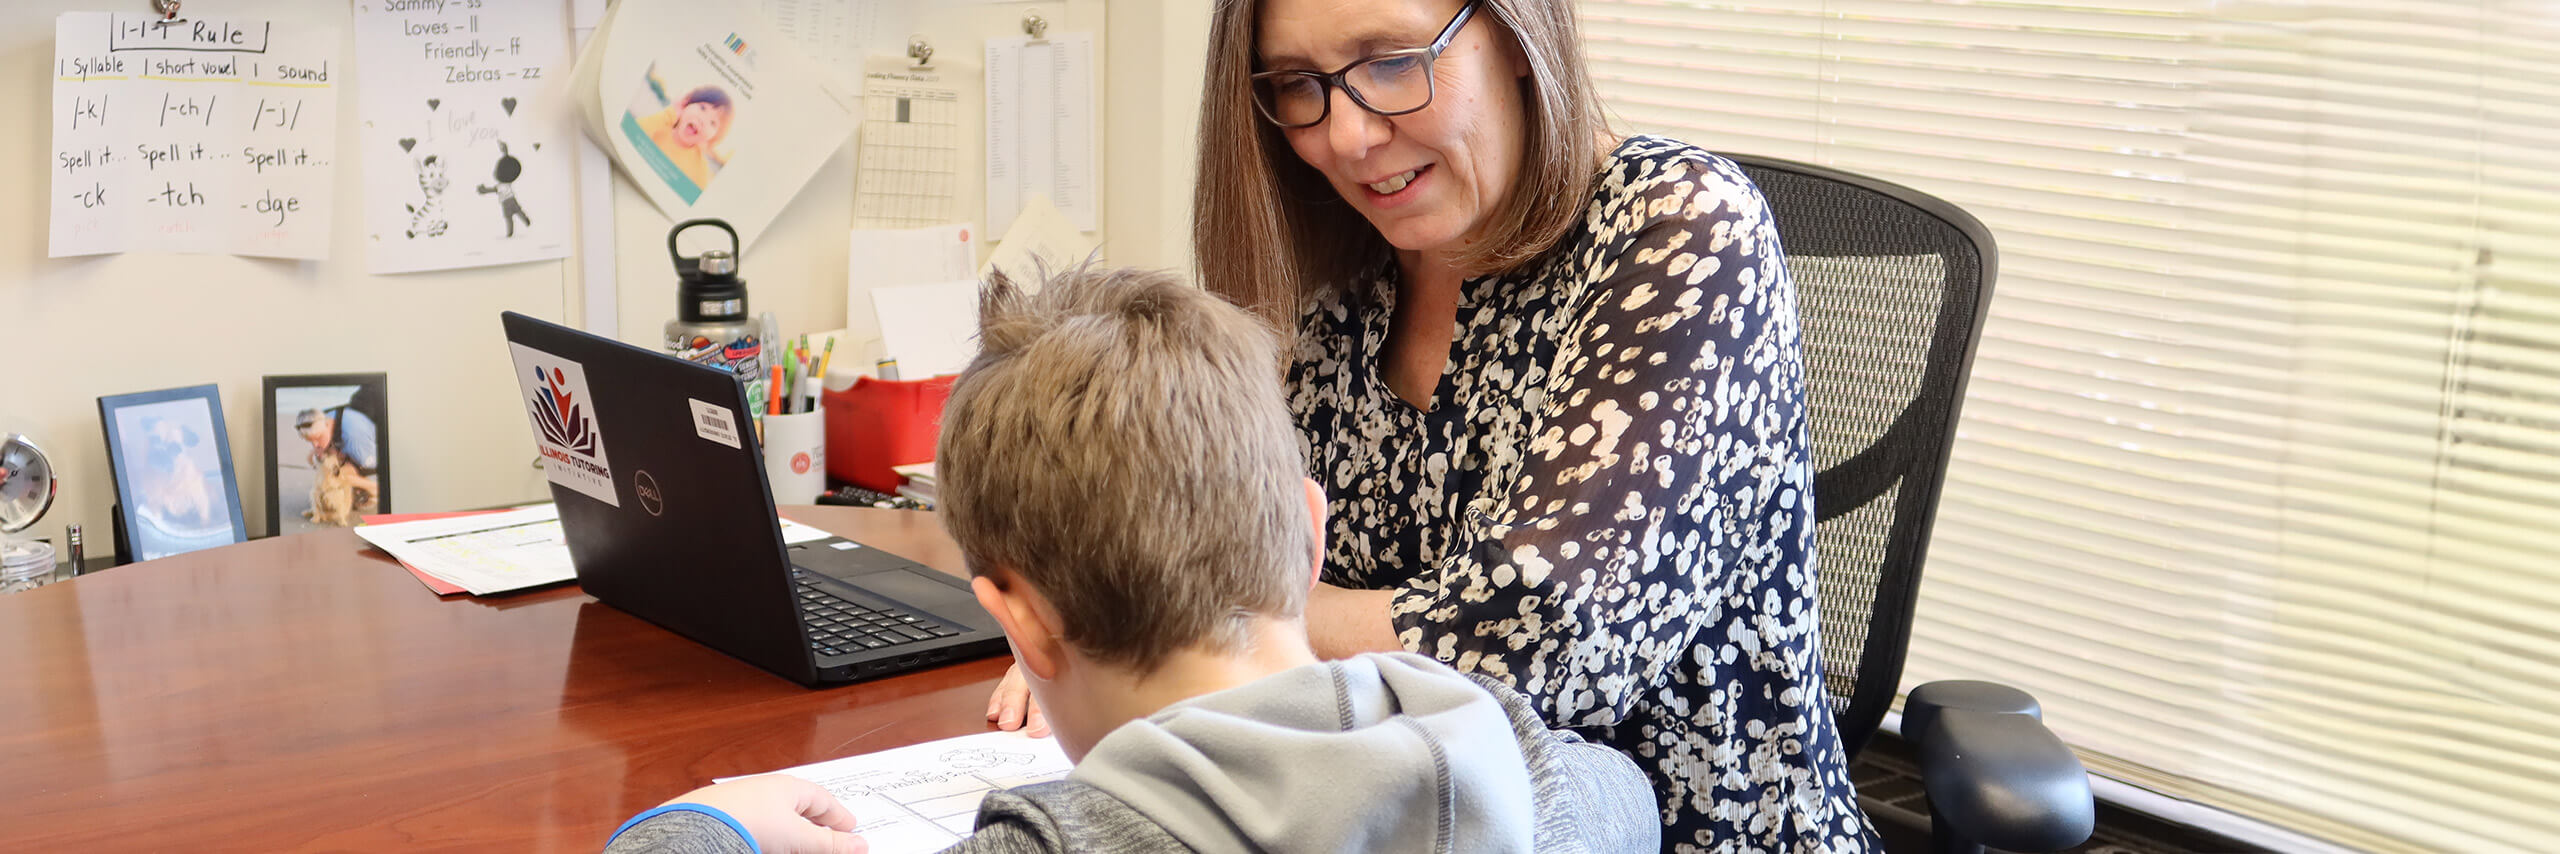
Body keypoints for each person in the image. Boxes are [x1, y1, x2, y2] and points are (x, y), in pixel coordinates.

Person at [1019, 1, 1883, 850]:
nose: (1346, 137)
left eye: (1392, 61)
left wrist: (1168, 633)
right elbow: (1221, 538)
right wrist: (1100, 638)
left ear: (1516, 33)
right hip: (1401, 826)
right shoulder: (1338, 271)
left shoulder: (1682, 227)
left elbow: (1533, 644)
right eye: (1297, 83)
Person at [605, 265, 1663, 854]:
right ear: (1307, 531)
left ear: (1018, 622)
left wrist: (708, 821)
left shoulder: (1056, 844)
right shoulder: (1529, 777)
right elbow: (1629, 794)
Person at [635, 85, 733, 188]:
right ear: (686, 104)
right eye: (703, 108)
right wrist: (670, 114)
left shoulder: (700, 171)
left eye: (713, 123)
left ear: (712, 138)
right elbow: (634, 133)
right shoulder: (659, 125)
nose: (702, 120)